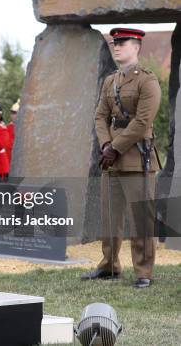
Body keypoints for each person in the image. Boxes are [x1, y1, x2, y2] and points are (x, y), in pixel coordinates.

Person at [83, 27, 161, 289]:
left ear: (136, 47)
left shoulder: (147, 80)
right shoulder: (110, 81)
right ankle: (109, 266)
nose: (116, 46)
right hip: (111, 159)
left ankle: (143, 272)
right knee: (110, 217)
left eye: (122, 42)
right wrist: (106, 144)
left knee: (140, 218)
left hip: (137, 159)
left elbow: (142, 122)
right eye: (114, 43)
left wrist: (114, 147)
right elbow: (100, 116)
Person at [7, 99, 20, 166]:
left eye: (15, 112)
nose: (13, 114)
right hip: (9, 158)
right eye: (12, 112)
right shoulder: (7, 127)